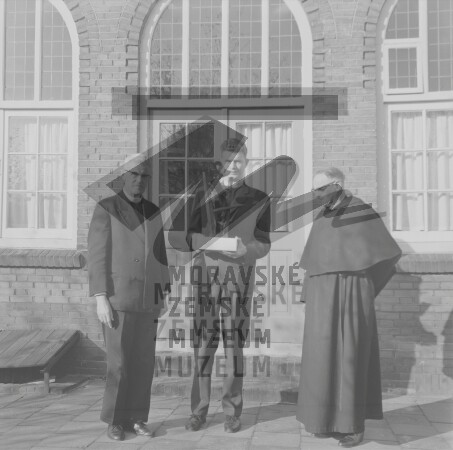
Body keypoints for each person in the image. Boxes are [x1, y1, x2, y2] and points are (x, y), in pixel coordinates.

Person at [296, 167, 402, 448]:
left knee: (349, 356)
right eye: (314, 190)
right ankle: (323, 420)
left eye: (321, 189)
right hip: (321, 298)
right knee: (321, 358)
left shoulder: (360, 210)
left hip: (350, 293)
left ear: (337, 184)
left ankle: (352, 426)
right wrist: (308, 294)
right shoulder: (322, 216)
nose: (316, 194)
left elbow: (387, 256)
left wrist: (363, 288)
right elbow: (313, 261)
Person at [185, 138, 271, 433]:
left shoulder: (260, 199)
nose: (233, 166)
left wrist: (246, 250)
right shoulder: (200, 196)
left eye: (238, 161)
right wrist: (210, 242)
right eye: (228, 161)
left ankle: (232, 411)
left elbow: (264, 243)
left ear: (246, 163)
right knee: (203, 344)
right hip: (205, 277)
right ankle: (198, 410)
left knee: (234, 345)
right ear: (219, 164)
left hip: (238, 278)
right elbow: (187, 237)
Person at [88, 153, 170, 441]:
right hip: (118, 299)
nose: (139, 180)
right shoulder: (107, 207)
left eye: (144, 176)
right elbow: (97, 255)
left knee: (143, 363)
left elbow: (160, 255)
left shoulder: (153, 211)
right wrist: (100, 297)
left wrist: (163, 292)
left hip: (148, 300)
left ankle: (136, 417)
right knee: (119, 364)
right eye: (133, 175)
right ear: (123, 176)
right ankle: (114, 420)